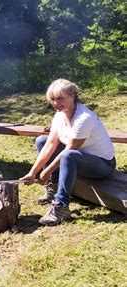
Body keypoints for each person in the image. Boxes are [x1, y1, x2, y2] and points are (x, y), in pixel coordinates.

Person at [21, 79, 116, 226]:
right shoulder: (60, 115)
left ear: (72, 96)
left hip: (102, 166)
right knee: (41, 140)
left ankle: (61, 206)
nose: (55, 103)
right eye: (52, 99)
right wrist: (33, 172)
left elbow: (70, 150)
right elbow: (50, 144)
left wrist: (47, 171)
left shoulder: (84, 118)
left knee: (68, 155)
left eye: (60, 98)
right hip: (79, 159)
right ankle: (54, 186)